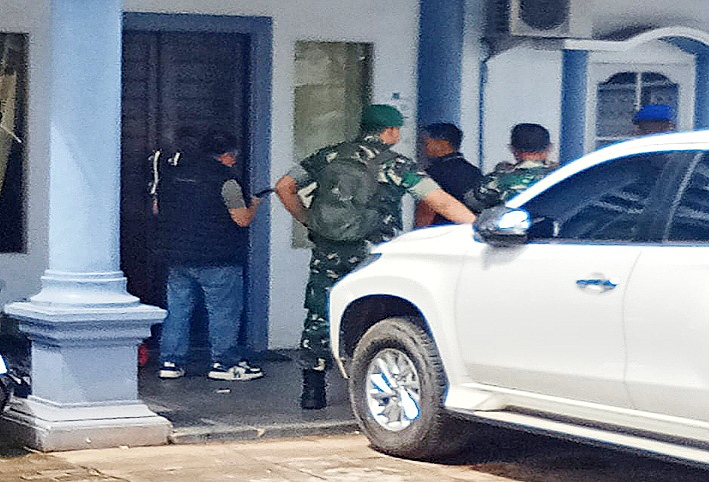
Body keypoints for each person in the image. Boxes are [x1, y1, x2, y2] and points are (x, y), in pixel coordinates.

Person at [275, 104, 476, 410]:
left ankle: (312, 390)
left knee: (320, 313)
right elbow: (442, 203)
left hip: (328, 250)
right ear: (390, 131)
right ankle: (372, 382)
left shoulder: (328, 155)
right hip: (374, 255)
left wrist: (308, 220)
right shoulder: (396, 165)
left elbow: (283, 187)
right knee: (378, 313)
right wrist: (479, 227)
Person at [157, 129, 264, 382]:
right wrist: (254, 204)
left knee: (177, 310)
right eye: (233, 155)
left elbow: (157, 208)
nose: (234, 160)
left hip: (178, 255)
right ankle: (223, 363)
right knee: (222, 312)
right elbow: (241, 219)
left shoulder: (173, 175)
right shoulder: (226, 181)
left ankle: (170, 361)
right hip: (218, 258)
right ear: (226, 155)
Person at [468, 123, 554, 210]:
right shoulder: (558, 176)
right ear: (550, 148)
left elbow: (471, 204)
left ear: (512, 149)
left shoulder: (495, 180)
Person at [415, 123, 482, 226]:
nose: (421, 148)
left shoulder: (435, 172)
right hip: (469, 228)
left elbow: (426, 210)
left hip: (440, 230)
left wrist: (419, 232)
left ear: (443, 144)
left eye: (425, 143)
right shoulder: (474, 171)